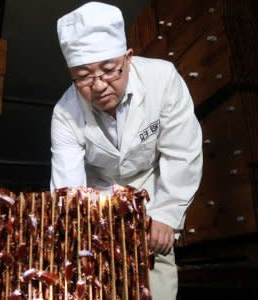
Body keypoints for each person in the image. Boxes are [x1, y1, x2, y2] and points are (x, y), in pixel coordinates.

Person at [50, 2, 202, 298]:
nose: (98, 86)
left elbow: (181, 152)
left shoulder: (163, 80)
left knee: (155, 277)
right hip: (98, 198)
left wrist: (167, 214)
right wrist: (78, 233)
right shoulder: (64, 114)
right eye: (83, 76)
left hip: (150, 189)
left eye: (109, 70)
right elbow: (68, 189)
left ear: (128, 58)